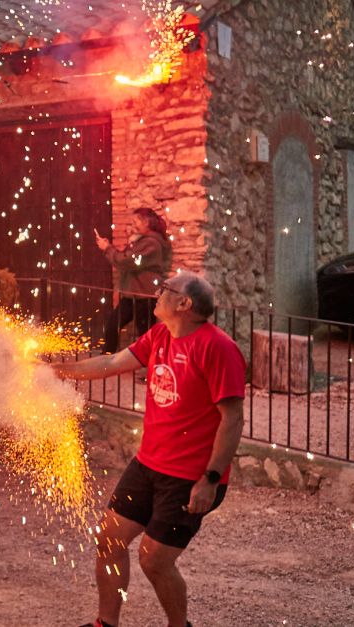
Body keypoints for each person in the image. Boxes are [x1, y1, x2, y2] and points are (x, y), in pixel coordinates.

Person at [51, 273, 245, 627]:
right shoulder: (159, 335)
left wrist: (211, 479)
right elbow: (111, 363)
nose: (156, 294)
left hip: (189, 477)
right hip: (148, 465)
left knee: (154, 560)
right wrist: (57, 372)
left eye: (165, 290)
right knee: (109, 539)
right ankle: (106, 624)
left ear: (185, 304)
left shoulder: (217, 348)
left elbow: (232, 420)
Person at [95, 207, 173, 353]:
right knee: (113, 324)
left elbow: (127, 261)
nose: (133, 224)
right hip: (132, 295)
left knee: (146, 334)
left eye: (136, 221)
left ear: (147, 222)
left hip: (144, 296)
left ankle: (151, 366)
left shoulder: (151, 243)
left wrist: (107, 248)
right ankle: (107, 359)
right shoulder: (142, 242)